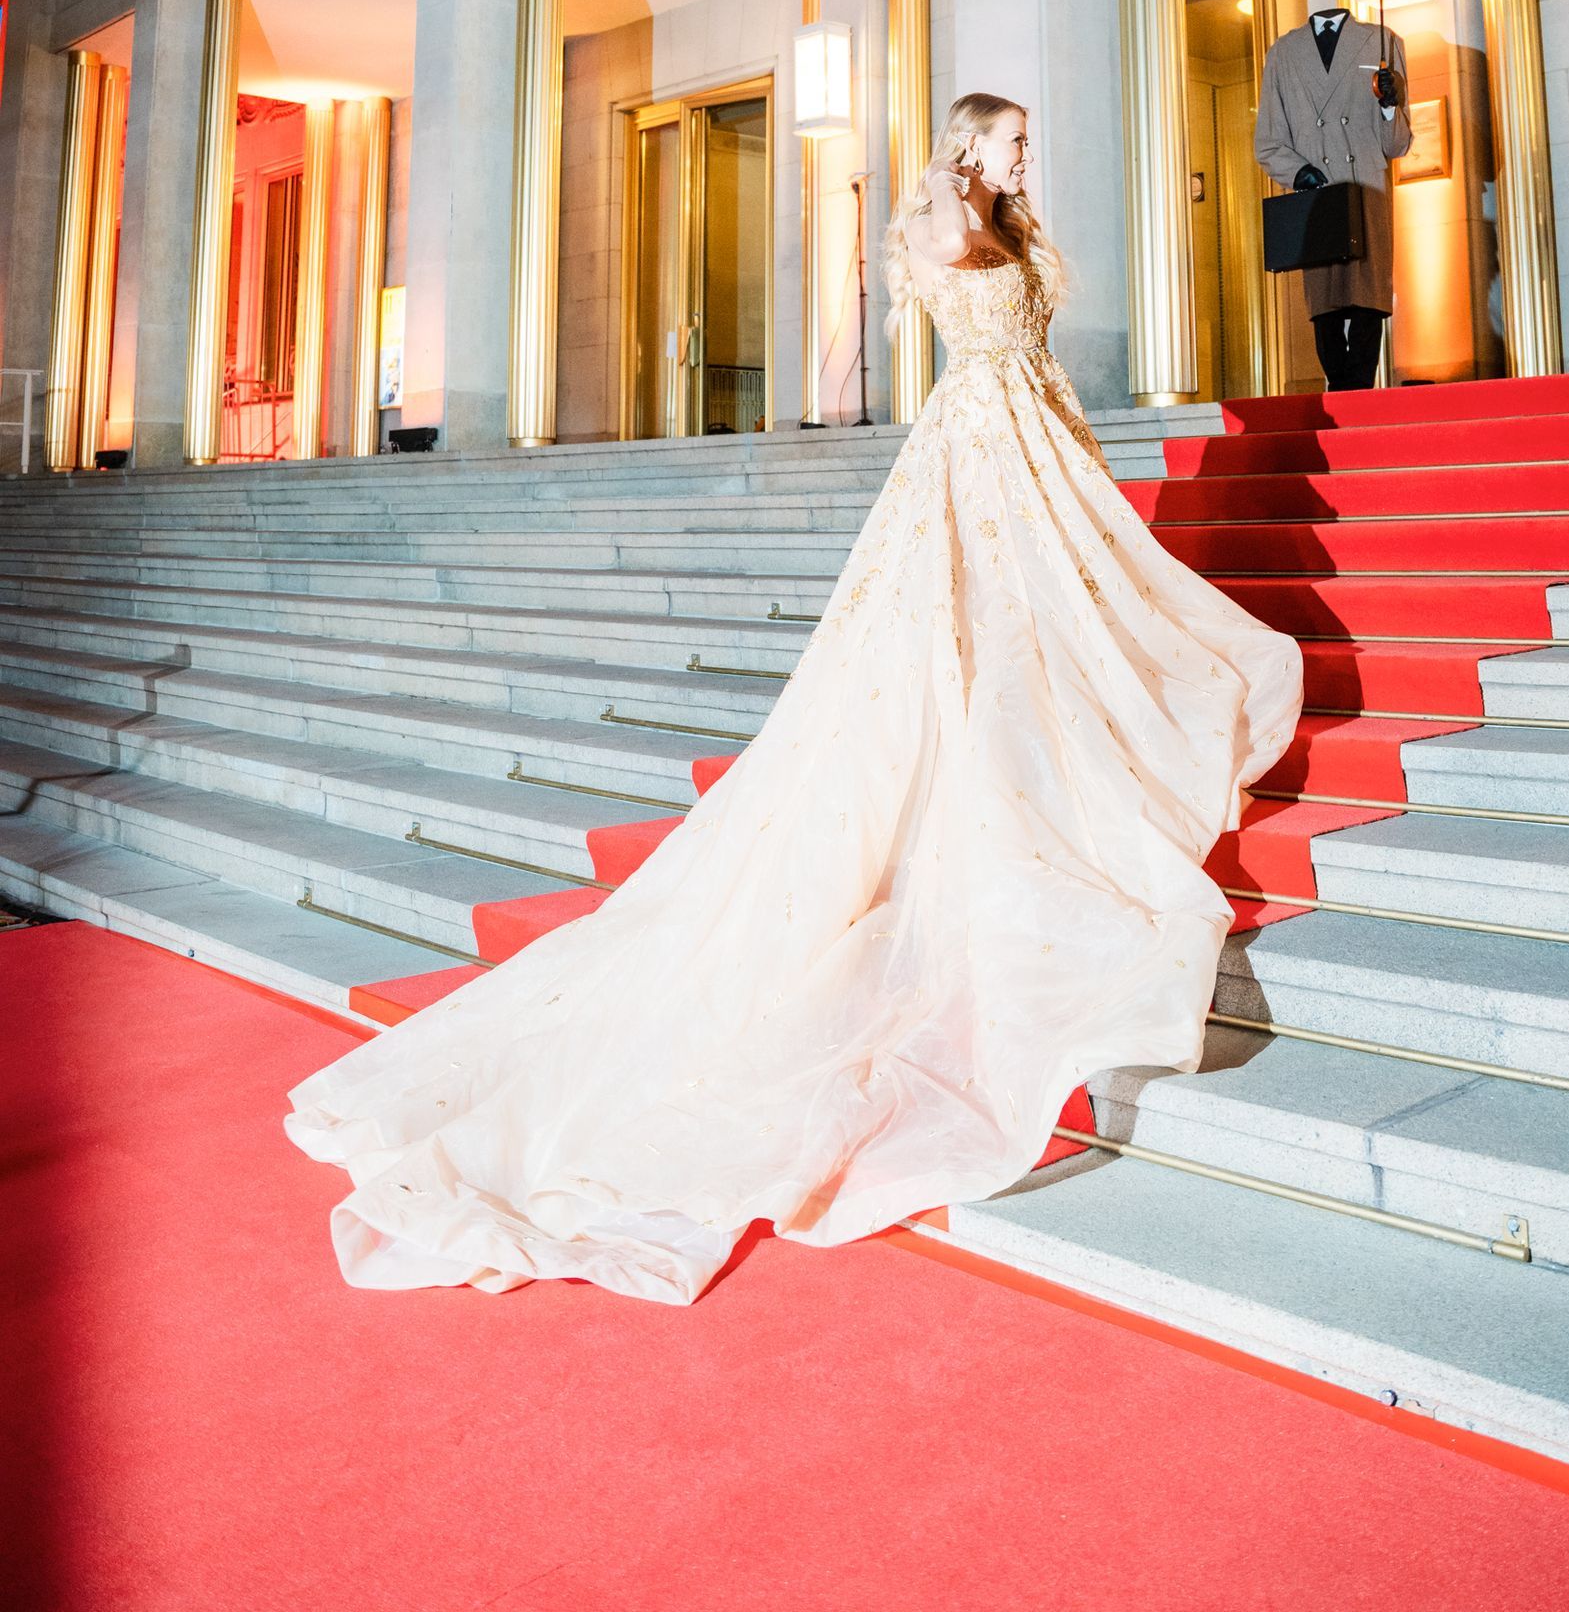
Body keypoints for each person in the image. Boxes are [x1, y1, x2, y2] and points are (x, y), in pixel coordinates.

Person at [286, 95, 1302, 1302]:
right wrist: (957, 193)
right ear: (972, 140)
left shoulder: (1010, 221)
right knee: (960, 648)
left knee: (1048, 635)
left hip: (1035, 443)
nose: (1031, 152)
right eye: (1014, 136)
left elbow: (1023, 321)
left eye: (1031, 136)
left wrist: (1004, 225)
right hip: (972, 452)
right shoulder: (947, 219)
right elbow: (943, 259)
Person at [1253, 6, 1412, 389]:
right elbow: (1268, 142)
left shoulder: (1382, 41)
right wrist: (1297, 172)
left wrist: (1390, 106)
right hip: (1319, 197)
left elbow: (1398, 144)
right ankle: (1342, 394)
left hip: (1365, 191)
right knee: (1324, 306)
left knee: (1368, 301)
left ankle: (1355, 397)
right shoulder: (1283, 53)